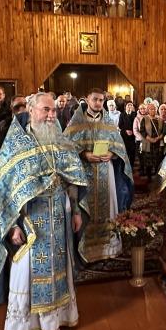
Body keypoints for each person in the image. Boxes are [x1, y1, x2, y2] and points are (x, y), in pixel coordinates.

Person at [0, 92, 87, 330]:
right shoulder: (15, 145)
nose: (52, 115)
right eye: (46, 110)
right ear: (30, 110)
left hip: (59, 216)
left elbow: (72, 179)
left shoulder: (60, 141)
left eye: (54, 110)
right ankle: (29, 325)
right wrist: (13, 226)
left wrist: (75, 211)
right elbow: (3, 189)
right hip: (29, 221)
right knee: (28, 273)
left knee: (59, 268)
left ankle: (57, 319)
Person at [65, 89, 134, 263]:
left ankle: (108, 248)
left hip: (105, 169)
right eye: (95, 99)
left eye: (101, 100)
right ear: (87, 99)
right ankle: (87, 250)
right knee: (85, 205)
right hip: (84, 171)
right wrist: (84, 154)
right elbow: (66, 147)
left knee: (108, 205)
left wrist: (112, 153)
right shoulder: (77, 121)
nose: (98, 103)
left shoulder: (108, 121)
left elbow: (119, 146)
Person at [138, 103, 164, 177]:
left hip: (158, 144)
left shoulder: (160, 119)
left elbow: (163, 131)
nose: (153, 110)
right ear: (148, 110)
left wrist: (158, 138)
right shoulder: (144, 119)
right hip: (148, 143)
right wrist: (150, 139)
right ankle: (149, 178)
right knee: (148, 162)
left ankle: (157, 177)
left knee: (158, 161)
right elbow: (142, 130)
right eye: (151, 109)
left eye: (154, 109)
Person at [118, 101, 138, 172]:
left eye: (131, 105)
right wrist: (126, 131)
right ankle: (125, 166)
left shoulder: (135, 114)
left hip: (133, 135)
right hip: (124, 135)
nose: (129, 106)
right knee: (125, 151)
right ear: (125, 107)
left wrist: (132, 131)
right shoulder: (122, 114)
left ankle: (131, 166)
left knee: (132, 152)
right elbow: (120, 125)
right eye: (128, 105)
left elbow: (137, 125)